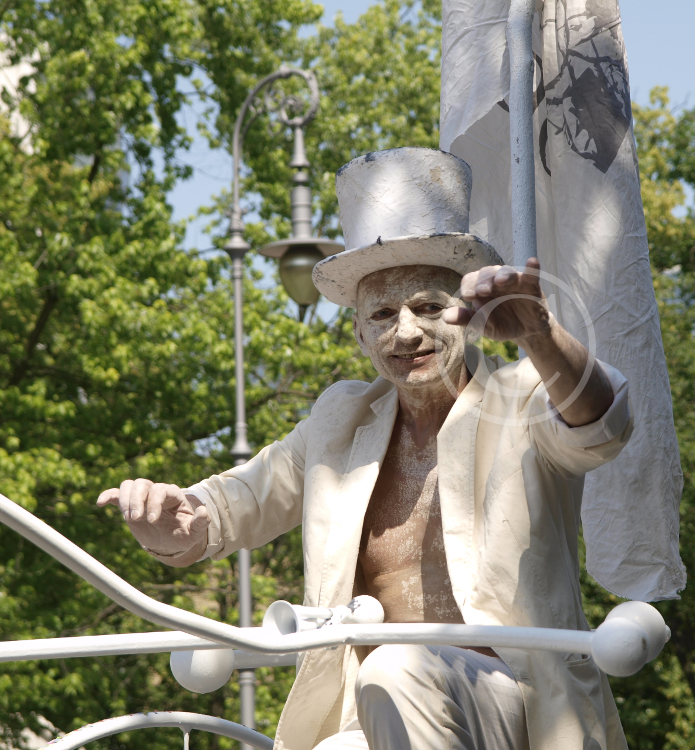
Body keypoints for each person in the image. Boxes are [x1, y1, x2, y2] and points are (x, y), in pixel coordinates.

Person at [96, 148, 633, 750]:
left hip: (520, 708)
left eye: (428, 307)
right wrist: (175, 521)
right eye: (381, 314)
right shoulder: (339, 421)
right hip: (380, 715)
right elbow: (229, 507)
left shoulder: (525, 395)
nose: (405, 331)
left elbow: (603, 424)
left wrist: (541, 334)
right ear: (358, 332)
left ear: (467, 316)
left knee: (396, 666)